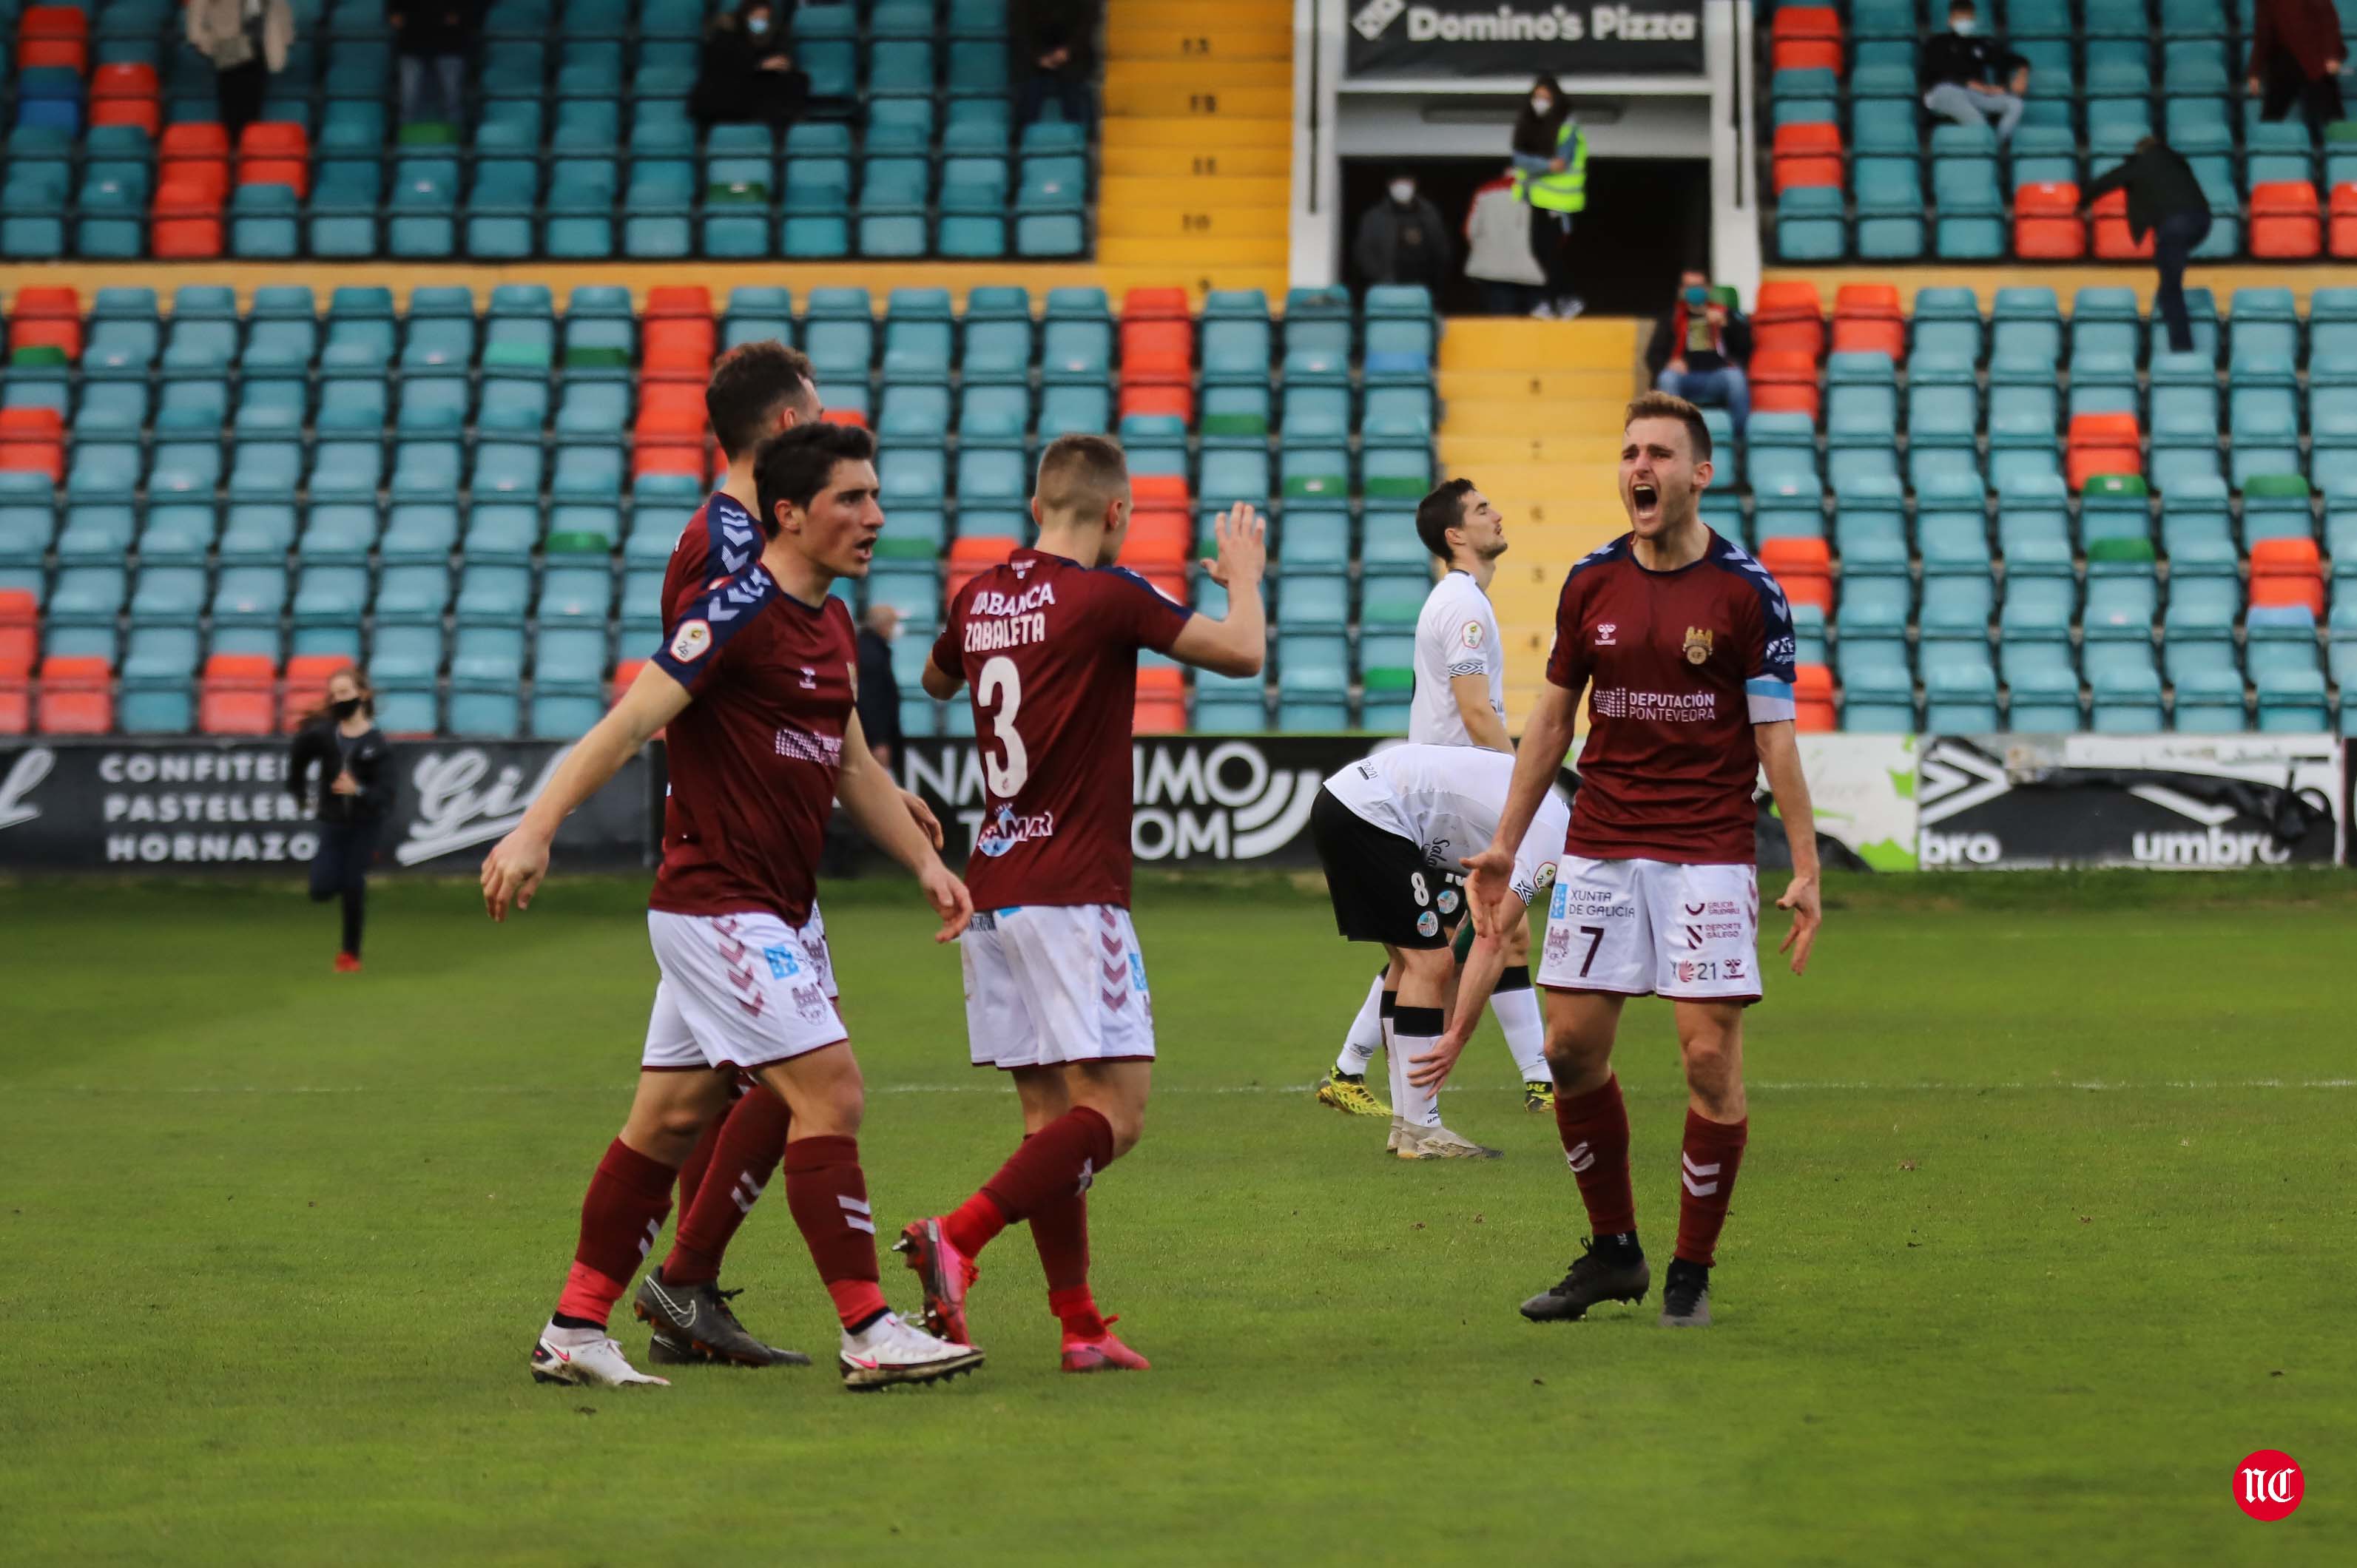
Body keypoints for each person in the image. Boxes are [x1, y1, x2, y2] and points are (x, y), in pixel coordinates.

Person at [482, 422, 986, 1392]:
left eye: (876, 497)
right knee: (829, 1091)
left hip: (766, 908)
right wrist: (535, 825)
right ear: (789, 514)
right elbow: (629, 722)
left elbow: (845, 765)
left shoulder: (830, 623)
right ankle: (870, 1328)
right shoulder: (733, 612)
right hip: (718, 906)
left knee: (667, 1121)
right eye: (851, 499)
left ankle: (575, 1327)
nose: (873, 516)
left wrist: (924, 860)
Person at [896, 436, 1268, 1373]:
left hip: (993, 886)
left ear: (1034, 503)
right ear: (1113, 514)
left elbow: (936, 679)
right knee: (1119, 1112)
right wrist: (1247, 578)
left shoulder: (976, 597)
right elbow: (1242, 653)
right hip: (1072, 889)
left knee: (1047, 1121)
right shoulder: (1109, 594)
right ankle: (959, 1236)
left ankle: (1080, 1323)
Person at [1462, 392, 1822, 1332]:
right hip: (1604, 843)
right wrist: (1506, 840)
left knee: (1708, 1058)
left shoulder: (1748, 591)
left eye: (1660, 452)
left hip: (1707, 848)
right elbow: (1550, 718)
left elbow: (1776, 738)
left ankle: (1690, 1271)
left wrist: (1807, 865)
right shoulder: (1590, 583)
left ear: (1700, 473)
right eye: (1629, 452)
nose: (1639, 467)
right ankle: (1615, 1251)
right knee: (1569, 1049)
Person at [1317, 480, 1555, 1138]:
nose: (1499, 512)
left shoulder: (1456, 600)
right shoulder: (1463, 606)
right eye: (1483, 509)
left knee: (1440, 948)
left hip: (1439, 801)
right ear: (1456, 535)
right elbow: (1476, 710)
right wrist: (1518, 794)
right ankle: (1381, 1084)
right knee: (1445, 951)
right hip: (1449, 806)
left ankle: (1367, 1074)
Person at [1308, 743, 1573, 1157]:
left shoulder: (1545, 818)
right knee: (1431, 965)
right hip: (1373, 815)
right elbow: (1495, 939)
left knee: (1410, 961)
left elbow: (1476, 927)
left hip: (1348, 803)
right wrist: (1457, 1037)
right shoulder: (1551, 841)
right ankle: (1422, 1129)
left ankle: (1406, 1127)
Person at [286, 667, 393, 974]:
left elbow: (386, 794)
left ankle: (350, 953)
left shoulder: (377, 745)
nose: (338, 700)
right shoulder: (324, 734)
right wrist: (297, 789)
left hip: (365, 824)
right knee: (321, 889)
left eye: (344, 693)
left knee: (352, 884)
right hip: (332, 821)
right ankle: (347, 941)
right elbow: (299, 755)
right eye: (333, 694)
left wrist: (358, 790)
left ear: (363, 695)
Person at [2082, 138, 2211, 355]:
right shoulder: (2177, 161)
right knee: (2169, 283)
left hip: (2173, 227)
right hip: (2201, 221)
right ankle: (2174, 338)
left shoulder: (2140, 164)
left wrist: (2082, 203)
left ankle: (2182, 350)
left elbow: (2107, 181)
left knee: (2170, 289)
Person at [1509, 75, 1585, 320]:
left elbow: (1560, 164)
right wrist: (1544, 164)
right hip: (1537, 198)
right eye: (1537, 97)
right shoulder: (1529, 126)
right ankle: (1552, 300)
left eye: (1546, 98)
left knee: (1550, 252)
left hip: (1558, 201)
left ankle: (1565, 298)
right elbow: (1519, 159)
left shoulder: (1566, 127)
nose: (1540, 103)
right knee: (1538, 250)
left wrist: (1534, 164)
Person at [1647, 271, 1753, 430]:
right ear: (1681, 291)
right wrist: (1669, 364)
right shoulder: (1672, 318)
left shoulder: (1725, 313)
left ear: (1708, 289)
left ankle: (1738, 440)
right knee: (1667, 379)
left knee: (1735, 378)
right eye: (1689, 287)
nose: (1694, 291)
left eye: (1698, 286)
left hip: (1717, 377)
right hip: (1684, 378)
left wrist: (1728, 324)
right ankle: (1673, 438)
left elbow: (1747, 347)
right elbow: (1653, 355)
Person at [186, 0, 294, 149]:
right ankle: (233, 151)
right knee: (232, 105)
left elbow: (279, 7)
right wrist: (199, 38)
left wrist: (286, 35)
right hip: (229, 43)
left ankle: (249, 151)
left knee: (253, 106)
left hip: (261, 46)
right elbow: (198, 7)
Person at [690, 0, 810, 134]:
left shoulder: (775, 33)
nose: (760, 22)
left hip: (757, 85)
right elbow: (722, 65)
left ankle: (783, 132)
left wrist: (782, 63)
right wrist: (758, 65)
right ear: (745, 16)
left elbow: (780, 55)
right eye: (756, 17)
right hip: (728, 87)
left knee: (795, 80)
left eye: (764, 18)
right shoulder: (726, 33)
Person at [1919, 0, 2029, 144]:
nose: (1964, 22)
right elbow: (1932, 74)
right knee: (1949, 91)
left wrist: (2022, 73)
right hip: (1943, 93)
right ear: (1950, 20)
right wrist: (1967, 83)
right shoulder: (1937, 43)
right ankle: (1984, 136)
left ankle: (1996, 144)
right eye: (1960, 18)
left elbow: (2010, 60)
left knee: (2015, 104)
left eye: (1968, 18)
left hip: (1975, 95)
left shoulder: (1980, 44)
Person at [2248, 0, 2346, 135]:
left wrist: (2332, 56)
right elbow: (2263, 33)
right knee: (2270, 121)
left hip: (2315, 61)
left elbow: (2328, 21)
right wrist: (2254, 72)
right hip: (2284, 62)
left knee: (2337, 126)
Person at [1351, 170, 1452, 294]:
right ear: (1390, 186)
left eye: (1406, 183)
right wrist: (1380, 277)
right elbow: (1363, 252)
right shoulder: (1375, 216)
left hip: (1423, 286)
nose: (1402, 188)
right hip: (1387, 286)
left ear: (1414, 185)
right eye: (1397, 183)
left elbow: (1441, 248)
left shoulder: (1429, 214)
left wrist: (1436, 280)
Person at [1463, 170, 1548, 315]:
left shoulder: (1485, 191)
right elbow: (1558, 232)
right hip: (1535, 271)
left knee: (1502, 325)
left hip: (1495, 273)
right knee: (1538, 327)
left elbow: (1470, 230)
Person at [1012, 0, 1094, 129]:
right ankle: (1018, 141)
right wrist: (1039, 57)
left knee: (1075, 96)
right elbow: (1020, 28)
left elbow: (1087, 25)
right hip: (1034, 62)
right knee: (1028, 95)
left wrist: (1068, 51)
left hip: (1073, 60)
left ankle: (1083, 138)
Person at [387, 0, 470, 126]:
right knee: (408, 98)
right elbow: (395, 16)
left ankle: (455, 135)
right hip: (412, 45)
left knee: (452, 97)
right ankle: (406, 134)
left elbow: (463, 14)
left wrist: (459, 16)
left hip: (449, 45)